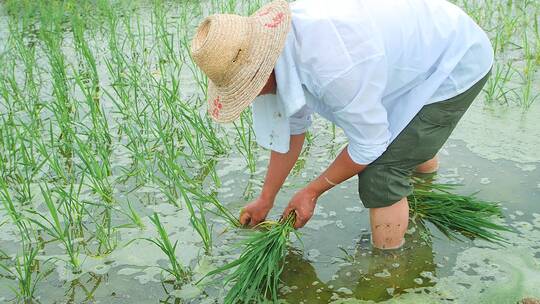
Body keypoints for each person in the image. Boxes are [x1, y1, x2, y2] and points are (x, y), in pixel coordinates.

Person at [190, 0, 493, 250]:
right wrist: (265, 199)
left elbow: (370, 144)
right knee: (403, 140)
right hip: (410, 53)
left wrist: (312, 191)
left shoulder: (333, 66)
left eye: (248, 86)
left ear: (262, 68)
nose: (251, 94)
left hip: (454, 59)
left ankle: (391, 269)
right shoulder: (275, 50)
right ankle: (423, 198)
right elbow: (292, 128)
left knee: (382, 172)